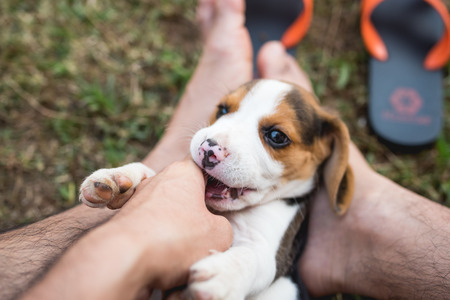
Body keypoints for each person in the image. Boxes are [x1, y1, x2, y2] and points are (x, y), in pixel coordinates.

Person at [0, 0, 448, 299]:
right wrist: (139, 180)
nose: (217, 140)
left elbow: (257, 259)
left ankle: (364, 213)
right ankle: (144, 180)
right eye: (224, 110)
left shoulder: (276, 211)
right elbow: (172, 200)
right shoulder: (235, 171)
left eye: (275, 136)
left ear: (328, 154)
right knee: (163, 187)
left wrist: (233, 273)